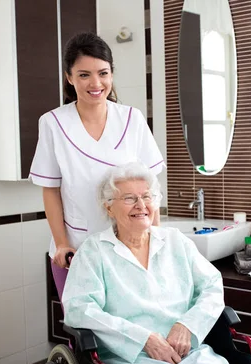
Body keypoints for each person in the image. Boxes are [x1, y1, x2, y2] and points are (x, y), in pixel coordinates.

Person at [62, 162, 251, 364]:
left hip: (188, 351)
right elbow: (79, 310)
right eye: (130, 198)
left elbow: (212, 285)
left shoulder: (175, 241)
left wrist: (188, 326)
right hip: (130, 359)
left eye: (147, 197)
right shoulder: (93, 251)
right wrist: (143, 339)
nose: (141, 205)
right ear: (109, 208)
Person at [29, 32, 165, 281]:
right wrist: (61, 244)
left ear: (111, 74)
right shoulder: (53, 123)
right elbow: (50, 190)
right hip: (77, 249)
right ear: (69, 77)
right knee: (83, 319)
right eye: (84, 75)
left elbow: (151, 188)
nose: (96, 83)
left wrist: (154, 239)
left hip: (131, 248)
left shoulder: (131, 119)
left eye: (103, 73)